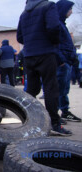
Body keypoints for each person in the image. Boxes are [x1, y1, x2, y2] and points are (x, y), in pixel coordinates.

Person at [17, 0, 72, 136]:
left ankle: (27, 121)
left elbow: (19, 37)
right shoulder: (49, 6)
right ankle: (54, 123)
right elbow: (53, 27)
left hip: (29, 55)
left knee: (31, 89)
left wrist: (31, 43)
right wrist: (53, 43)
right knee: (50, 88)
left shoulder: (24, 13)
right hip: (46, 53)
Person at [56, 0, 81, 122]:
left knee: (64, 89)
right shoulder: (57, 25)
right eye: (69, 9)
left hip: (67, 61)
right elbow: (56, 45)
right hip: (62, 62)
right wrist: (62, 60)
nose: (71, 12)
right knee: (59, 89)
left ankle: (65, 112)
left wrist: (73, 58)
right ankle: (55, 113)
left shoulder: (62, 24)